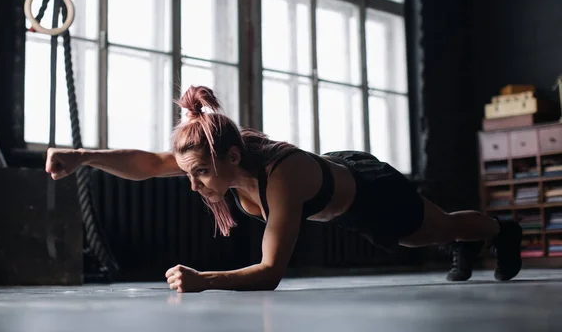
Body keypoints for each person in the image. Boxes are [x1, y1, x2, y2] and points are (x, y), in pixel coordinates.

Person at [45, 85, 522, 292]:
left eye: (200, 175)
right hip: (341, 193)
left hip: (370, 192)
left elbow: (272, 272)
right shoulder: (217, 160)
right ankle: (460, 243)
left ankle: (500, 230)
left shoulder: (282, 177)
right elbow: (149, 164)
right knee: (425, 234)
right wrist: (82, 156)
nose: (193, 185)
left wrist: (203, 280)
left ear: (231, 158)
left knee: (430, 230)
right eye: (189, 174)